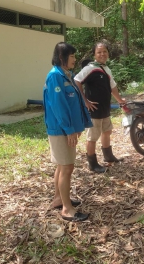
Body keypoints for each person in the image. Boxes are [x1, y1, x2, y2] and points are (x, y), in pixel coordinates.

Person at [44, 42, 93, 222]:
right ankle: (67, 209)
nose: (74, 59)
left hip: (66, 128)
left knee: (62, 165)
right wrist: (70, 130)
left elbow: (75, 102)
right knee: (67, 167)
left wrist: (79, 125)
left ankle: (59, 198)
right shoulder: (55, 77)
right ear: (62, 57)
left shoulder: (67, 75)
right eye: (71, 56)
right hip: (61, 130)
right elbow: (59, 107)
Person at [74, 41, 126, 173]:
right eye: (99, 52)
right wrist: (85, 101)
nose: (102, 54)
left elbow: (112, 87)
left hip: (105, 108)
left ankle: (108, 156)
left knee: (107, 131)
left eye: (104, 51)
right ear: (94, 54)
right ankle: (92, 164)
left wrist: (120, 100)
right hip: (94, 110)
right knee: (92, 137)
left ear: (108, 53)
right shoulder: (90, 68)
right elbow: (77, 81)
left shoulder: (106, 68)